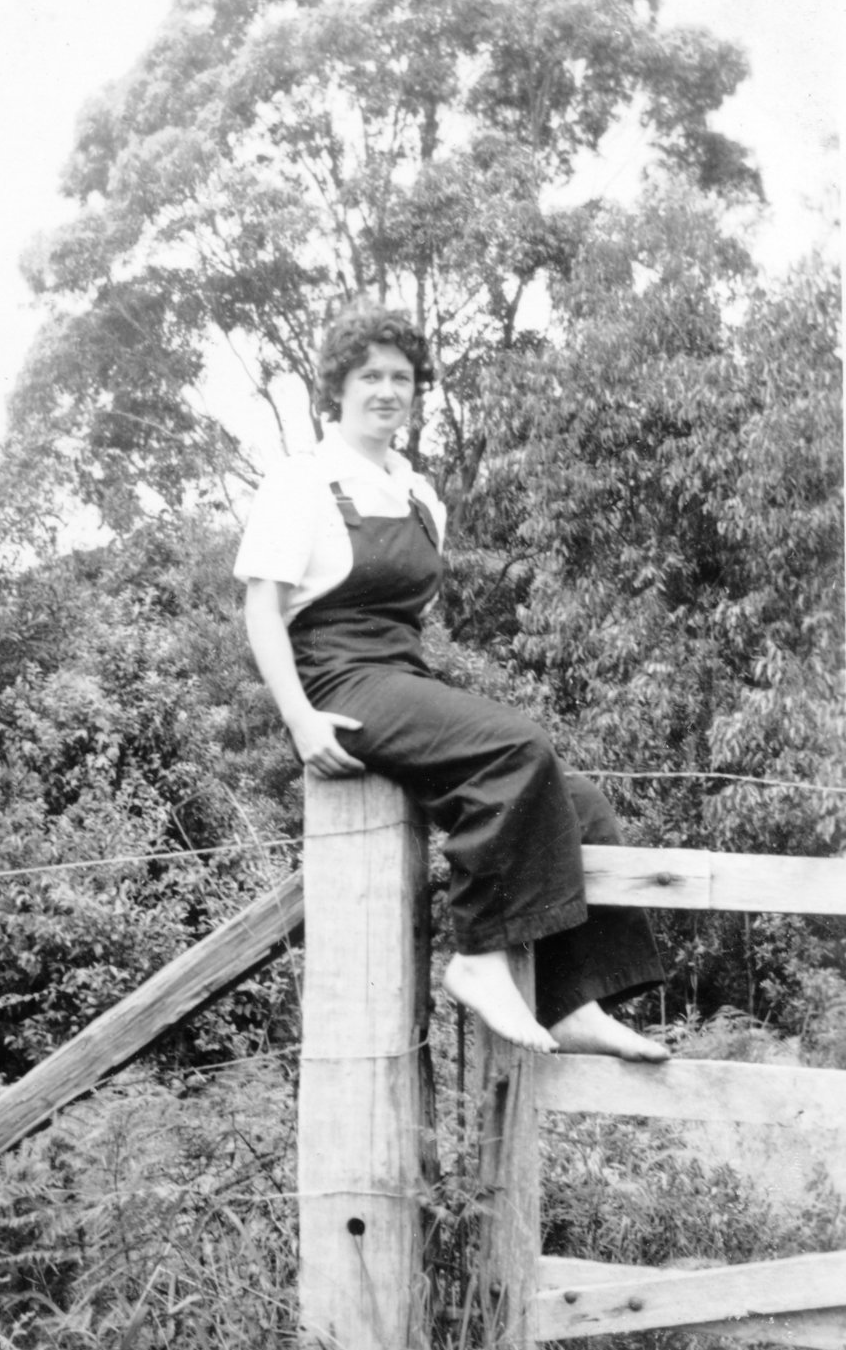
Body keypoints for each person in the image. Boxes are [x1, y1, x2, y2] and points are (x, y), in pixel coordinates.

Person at [235, 298, 668, 1060]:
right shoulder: (301, 482)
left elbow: (412, 618)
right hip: (336, 679)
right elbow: (263, 610)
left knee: (578, 802)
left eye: (401, 377)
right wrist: (300, 718)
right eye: (368, 375)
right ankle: (478, 959)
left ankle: (572, 1000)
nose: (386, 391)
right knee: (516, 747)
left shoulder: (417, 493)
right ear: (335, 387)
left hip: (398, 671)